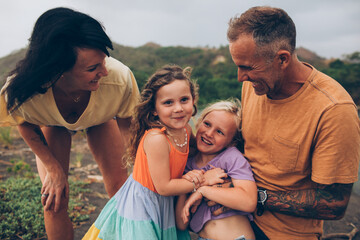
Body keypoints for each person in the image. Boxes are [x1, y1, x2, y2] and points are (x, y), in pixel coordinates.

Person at [0, 7, 140, 240]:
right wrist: (53, 169)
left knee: (122, 189)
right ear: (58, 70)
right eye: (92, 68)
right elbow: (24, 122)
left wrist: (138, 166)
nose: (104, 71)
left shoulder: (118, 78)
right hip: (53, 124)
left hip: (101, 118)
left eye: (103, 62)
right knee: (55, 198)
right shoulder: (24, 90)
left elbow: (128, 124)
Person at [225, 6, 360, 239]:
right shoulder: (254, 84)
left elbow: (334, 203)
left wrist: (254, 197)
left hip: (284, 233)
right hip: (236, 215)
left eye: (247, 67)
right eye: (238, 66)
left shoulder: (333, 110)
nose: (241, 77)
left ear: (282, 59)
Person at [83, 64, 227, 240]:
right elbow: (164, 187)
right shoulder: (157, 139)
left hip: (164, 204)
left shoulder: (186, 130)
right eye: (168, 103)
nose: (178, 108)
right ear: (154, 109)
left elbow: (196, 157)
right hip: (142, 205)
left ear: (193, 100)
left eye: (184, 100)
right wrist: (204, 180)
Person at [176, 99, 257, 240]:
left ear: (231, 141)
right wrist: (188, 185)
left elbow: (249, 201)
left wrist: (203, 190)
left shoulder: (231, 157)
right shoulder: (187, 166)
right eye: (207, 124)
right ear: (199, 122)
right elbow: (181, 223)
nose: (209, 133)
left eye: (219, 132)